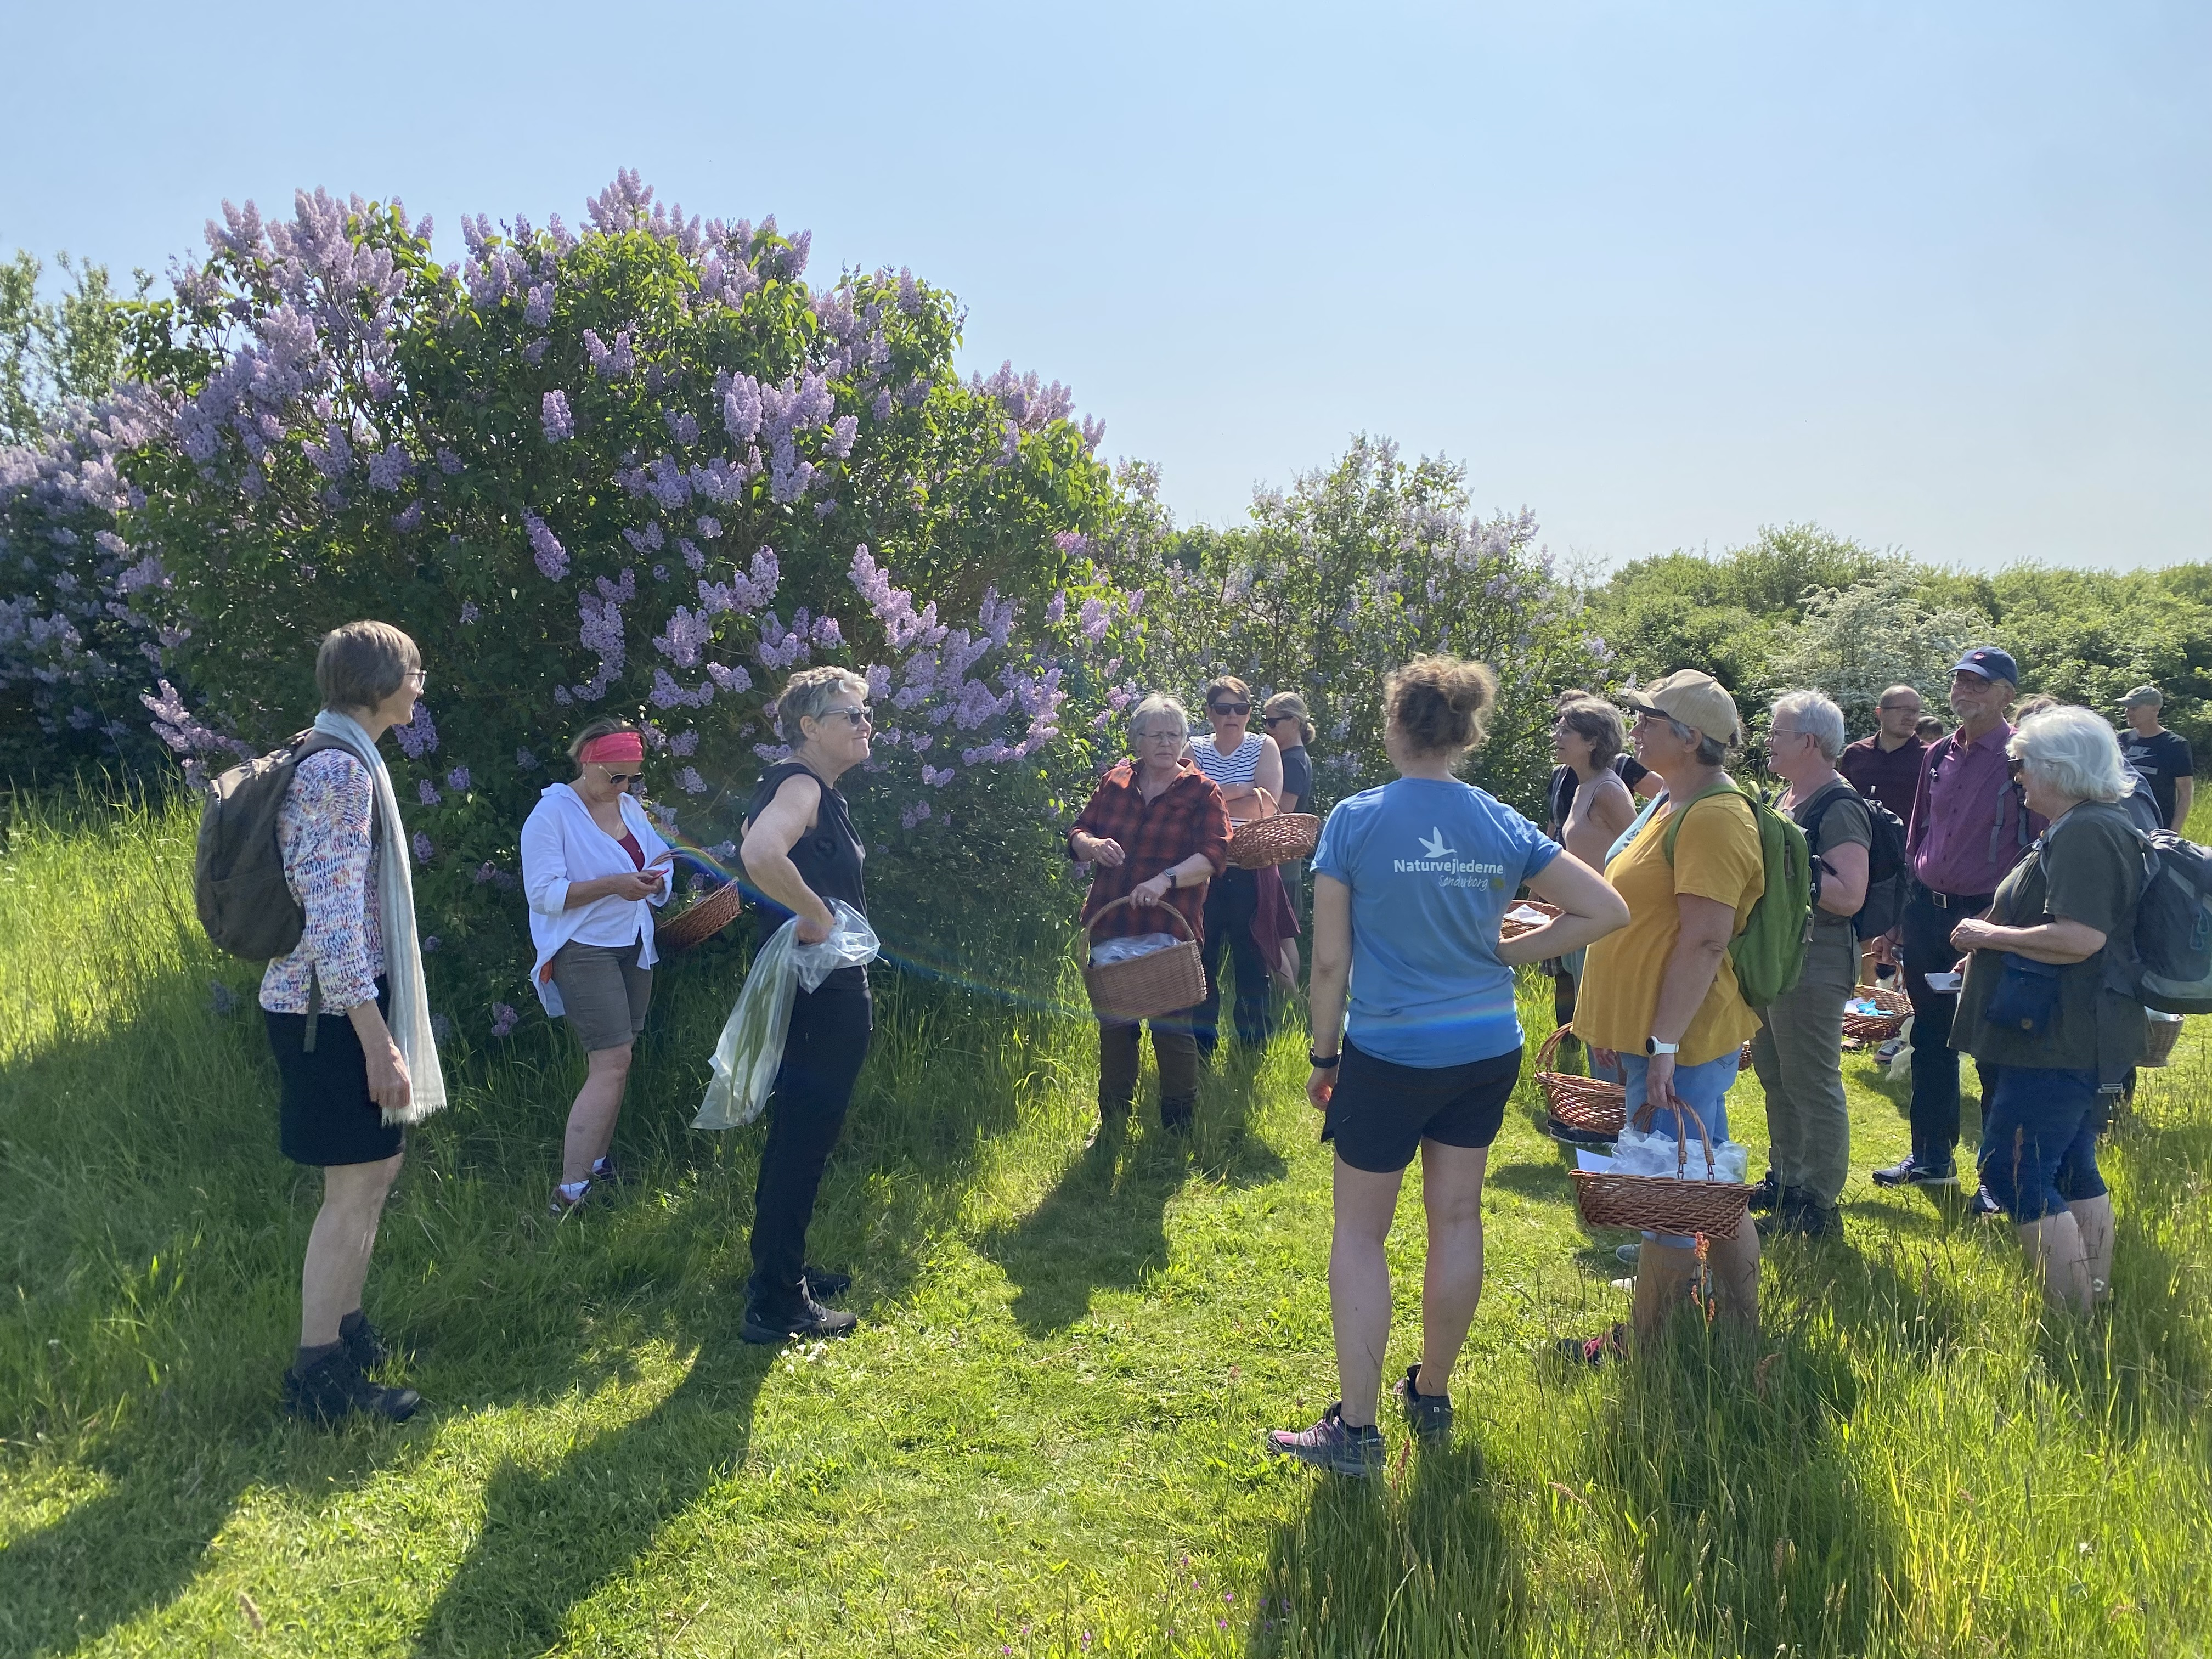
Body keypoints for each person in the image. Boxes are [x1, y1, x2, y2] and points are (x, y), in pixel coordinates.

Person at [1265, 658, 1628, 1473]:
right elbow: (1605, 907)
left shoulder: (1356, 819)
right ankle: (1430, 1393)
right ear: (1467, 733)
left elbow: (1329, 962)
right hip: (1484, 1048)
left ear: (1395, 725)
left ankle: (1357, 1431)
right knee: (1457, 1218)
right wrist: (1511, 952)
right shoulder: (1497, 819)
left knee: (1362, 1232)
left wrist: (1324, 1055)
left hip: (1391, 1051)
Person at [263, 621, 446, 1424]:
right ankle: (318, 1379)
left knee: (374, 1174)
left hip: (331, 1002)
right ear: (379, 684)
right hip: (328, 1011)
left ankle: (345, 1330)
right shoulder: (339, 771)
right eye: (414, 672)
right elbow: (333, 919)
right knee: (352, 1187)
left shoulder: (336, 752)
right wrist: (378, 1042)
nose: (421, 686)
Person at [1558, 669, 1768, 1362]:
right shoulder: (1668, 801)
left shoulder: (1714, 816)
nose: (1636, 728)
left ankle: (1647, 1348)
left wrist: (1664, 1045)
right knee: (1704, 1183)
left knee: (1668, 1196)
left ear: (1691, 737)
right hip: (1653, 1037)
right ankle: (1738, 1329)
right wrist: (1618, 1030)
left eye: (1649, 719)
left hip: (1682, 1039)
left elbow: (1705, 940)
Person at [1947, 707, 2145, 1315]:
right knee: (2070, 1167)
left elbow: (2082, 937)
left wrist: (1990, 937)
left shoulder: (2087, 831)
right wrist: (1991, 951)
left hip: (2059, 1036)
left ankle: (2071, 1318)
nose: (2018, 776)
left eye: (2024, 764)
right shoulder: (2086, 824)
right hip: (2064, 1030)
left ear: (2059, 768)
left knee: (2013, 1175)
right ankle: (2093, 1308)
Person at [737, 668, 878, 1343]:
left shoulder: (795, 784)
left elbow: (757, 846)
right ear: (809, 727)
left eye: (867, 712)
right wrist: (817, 913)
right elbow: (759, 852)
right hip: (824, 988)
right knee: (805, 1136)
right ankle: (776, 1304)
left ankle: (779, 1270)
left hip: (808, 985)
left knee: (795, 1131)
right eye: (850, 715)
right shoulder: (801, 786)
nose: (865, 724)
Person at [1877, 647, 2043, 1194]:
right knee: (1930, 1037)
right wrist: (1900, 915)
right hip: (1928, 913)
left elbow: (2040, 849)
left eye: (1979, 683)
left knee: (1993, 1047)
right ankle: (1931, 1158)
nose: (1965, 691)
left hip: (1991, 917)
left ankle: (2000, 1179)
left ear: (2006, 695)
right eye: (1960, 681)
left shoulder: (2023, 756)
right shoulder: (1937, 754)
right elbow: (1917, 835)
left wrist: (2001, 921)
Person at [521, 719, 673, 1217]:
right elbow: (543, 895)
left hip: (633, 941)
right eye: (616, 776)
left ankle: (597, 1167)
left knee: (619, 1061)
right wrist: (614, 885)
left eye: (634, 777)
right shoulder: (551, 815)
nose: (625, 787)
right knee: (610, 1062)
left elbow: (661, 857)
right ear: (587, 762)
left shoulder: (628, 808)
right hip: (582, 948)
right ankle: (569, 1192)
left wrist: (656, 881)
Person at [1068, 694, 1234, 1132]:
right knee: (1115, 1026)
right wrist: (1092, 845)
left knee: (1172, 1029)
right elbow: (1078, 832)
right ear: (1137, 739)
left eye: (1174, 735)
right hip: (1112, 922)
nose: (1166, 743)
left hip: (1169, 927)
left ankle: (1177, 1128)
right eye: (1156, 735)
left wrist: (1165, 880)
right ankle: (1113, 1123)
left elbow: (1215, 854)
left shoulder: (1202, 792)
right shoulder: (1115, 781)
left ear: (1184, 740)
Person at [1747, 691, 1870, 1238]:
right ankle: (1786, 1180)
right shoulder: (1787, 795)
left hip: (1816, 961)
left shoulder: (1838, 805)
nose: (1769, 741)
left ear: (1811, 742)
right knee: (1777, 1076)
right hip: (1780, 958)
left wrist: (1792, 863)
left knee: (1812, 1082)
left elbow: (1848, 895)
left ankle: (1817, 1204)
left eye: (1779, 733)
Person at [1189, 675, 1285, 1060]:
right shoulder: (1194, 747)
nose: (1233, 716)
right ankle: (1200, 1048)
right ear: (1210, 713)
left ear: (1249, 713)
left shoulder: (1265, 746)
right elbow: (1189, 806)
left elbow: (1269, 807)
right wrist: (1245, 790)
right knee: (1202, 960)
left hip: (1251, 867)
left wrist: (1214, 796)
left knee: (1252, 960)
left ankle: (1252, 1049)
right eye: (1224, 708)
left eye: (1241, 709)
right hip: (1203, 869)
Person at [1544, 697, 1638, 1067]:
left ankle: (1618, 1100)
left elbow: (1640, 856)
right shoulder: (1583, 786)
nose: (1556, 736)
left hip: (1607, 928)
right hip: (1585, 922)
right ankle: (1603, 1097)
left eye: (1566, 730)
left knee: (1607, 1029)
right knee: (1592, 1025)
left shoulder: (1608, 791)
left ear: (1593, 742)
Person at [1261, 690, 1318, 984]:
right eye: (1265, 722)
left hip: (1281, 857)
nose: (1267, 728)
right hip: (1286, 856)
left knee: (1272, 932)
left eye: (1273, 722)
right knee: (1283, 933)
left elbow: (1280, 811)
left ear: (1294, 723)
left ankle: (1289, 997)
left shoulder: (1293, 761)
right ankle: (1288, 1001)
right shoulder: (1292, 758)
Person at [1839, 684, 1928, 825]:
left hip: (1910, 839)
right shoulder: (1856, 753)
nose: (1911, 717)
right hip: (1862, 837)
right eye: (1904, 710)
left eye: (1915, 711)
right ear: (1880, 713)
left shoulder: (1929, 756)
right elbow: (1842, 803)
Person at [2117, 685, 2194, 832]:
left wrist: (2172, 833)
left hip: (2156, 829)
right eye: (2127, 708)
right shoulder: (2120, 740)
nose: (2128, 712)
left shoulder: (2175, 745)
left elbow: (2185, 794)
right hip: (2121, 826)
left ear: (2155, 709)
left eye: (2134, 708)